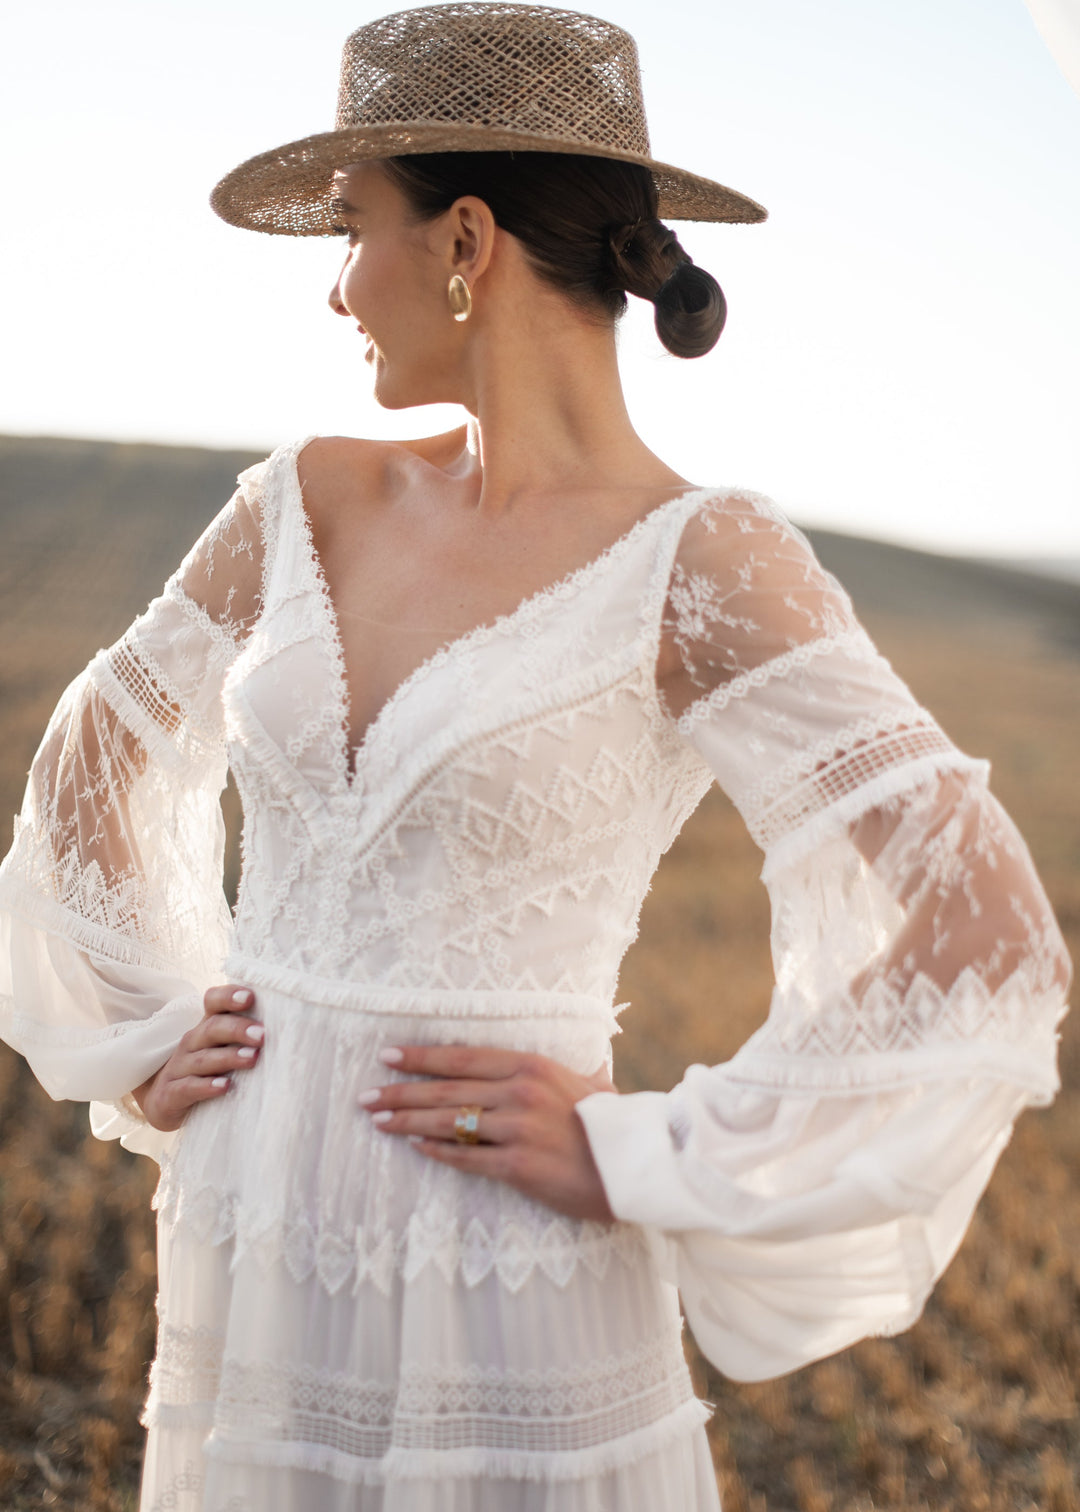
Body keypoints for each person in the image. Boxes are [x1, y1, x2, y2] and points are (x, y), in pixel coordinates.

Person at [0, 4, 1071, 1509]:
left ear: (467, 241)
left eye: (354, 225)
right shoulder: (304, 498)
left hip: (509, 1275)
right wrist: (146, 1032)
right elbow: (101, 748)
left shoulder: (708, 561)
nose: (335, 287)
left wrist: (651, 1151)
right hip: (248, 1246)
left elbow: (992, 938)